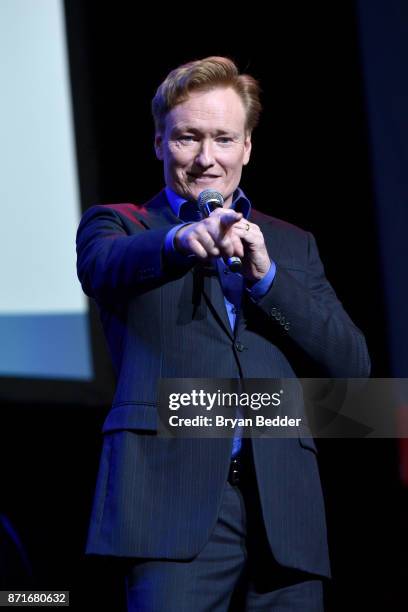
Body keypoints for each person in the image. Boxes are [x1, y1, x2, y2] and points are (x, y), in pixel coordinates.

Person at [76, 56, 370, 611]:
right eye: (188, 138)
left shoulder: (290, 244)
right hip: (170, 509)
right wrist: (180, 240)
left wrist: (268, 281)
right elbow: (103, 267)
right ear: (160, 142)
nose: (207, 158)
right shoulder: (121, 225)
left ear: (247, 147)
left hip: (284, 511)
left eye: (223, 139)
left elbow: (352, 366)